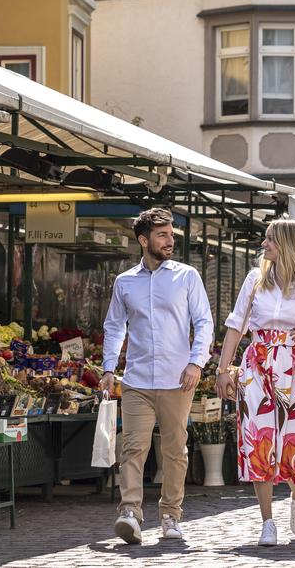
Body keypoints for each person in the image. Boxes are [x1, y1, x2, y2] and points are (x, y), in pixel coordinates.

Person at [101, 208, 213, 545]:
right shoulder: (125, 282)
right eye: (162, 235)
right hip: (136, 380)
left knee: (175, 450)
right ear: (143, 239)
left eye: (171, 234)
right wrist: (108, 368)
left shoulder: (187, 276)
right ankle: (130, 513)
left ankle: (170, 516)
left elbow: (204, 322)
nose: (170, 240)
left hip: (177, 379)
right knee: (133, 448)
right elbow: (114, 326)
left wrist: (197, 363)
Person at [215, 218, 295, 547]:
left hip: (294, 368)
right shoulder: (255, 279)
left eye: (270, 239)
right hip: (257, 366)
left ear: (288, 245)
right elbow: (236, 326)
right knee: (258, 438)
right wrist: (224, 369)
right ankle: (267, 522)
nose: (264, 245)